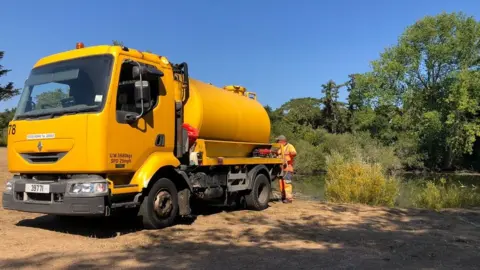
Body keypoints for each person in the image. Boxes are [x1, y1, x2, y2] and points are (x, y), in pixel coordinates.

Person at [275, 135, 297, 203]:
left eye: (278, 141)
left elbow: (294, 153)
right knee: (281, 184)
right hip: (281, 169)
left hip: (287, 168)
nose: (276, 142)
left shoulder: (289, 146)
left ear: (282, 141)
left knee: (287, 183)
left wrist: (288, 153)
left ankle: (289, 199)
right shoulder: (279, 148)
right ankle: (283, 197)